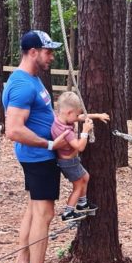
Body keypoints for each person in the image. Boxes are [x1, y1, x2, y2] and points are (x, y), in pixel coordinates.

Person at [2, 31, 69, 263]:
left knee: (34, 209)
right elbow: (14, 130)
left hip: (38, 157)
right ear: (33, 52)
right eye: (48, 51)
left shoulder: (33, 80)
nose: (51, 56)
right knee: (45, 214)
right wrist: (50, 145)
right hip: (39, 158)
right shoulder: (22, 85)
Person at [51, 91, 110, 221]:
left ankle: (83, 203)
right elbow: (80, 147)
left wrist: (97, 115)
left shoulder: (60, 119)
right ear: (69, 113)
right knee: (78, 186)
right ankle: (68, 212)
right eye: (76, 114)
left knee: (85, 177)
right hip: (69, 163)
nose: (78, 117)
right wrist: (85, 131)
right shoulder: (65, 131)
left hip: (71, 161)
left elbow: (81, 116)